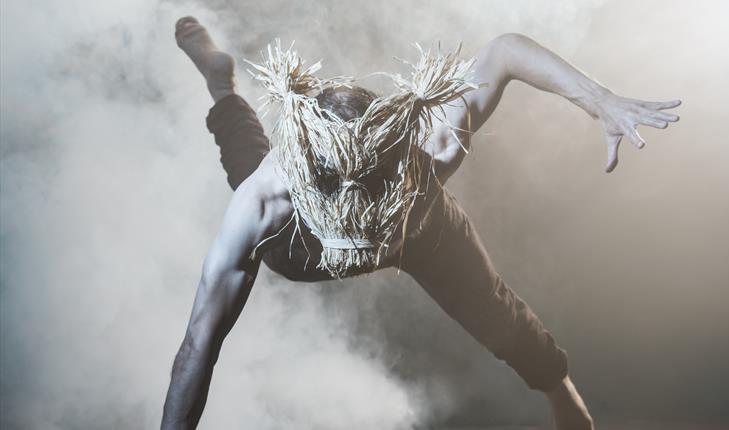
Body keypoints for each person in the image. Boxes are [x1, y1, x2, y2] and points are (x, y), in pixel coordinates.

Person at [162, 16, 680, 430]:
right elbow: (197, 346)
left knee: (493, 310)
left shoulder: (425, 152)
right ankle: (220, 81)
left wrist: (600, 101)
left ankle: (560, 390)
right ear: (304, 177)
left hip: (414, 226)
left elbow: (505, 51)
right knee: (244, 158)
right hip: (300, 243)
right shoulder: (265, 201)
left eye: (368, 187)